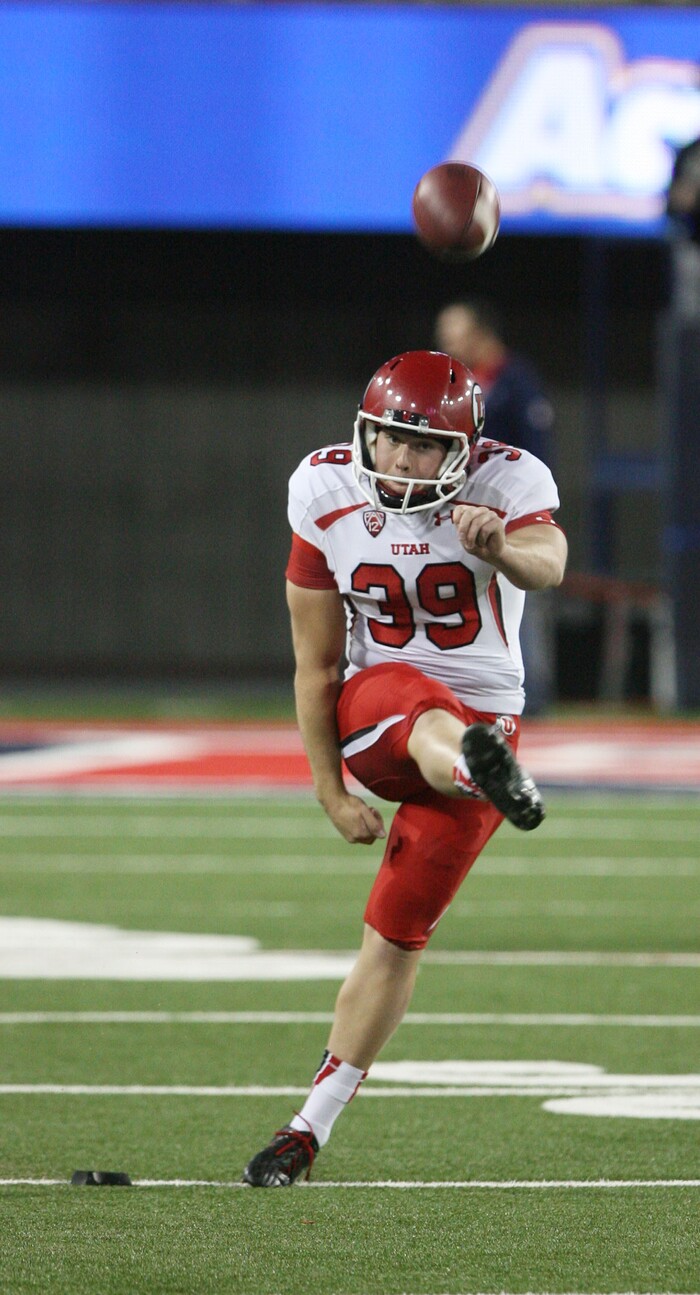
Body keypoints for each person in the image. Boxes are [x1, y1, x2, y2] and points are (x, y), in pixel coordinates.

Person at [242, 349, 567, 1187]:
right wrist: (328, 787)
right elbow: (316, 664)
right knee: (408, 691)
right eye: (387, 440)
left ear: (465, 449)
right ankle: (473, 768)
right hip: (375, 718)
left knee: (394, 932)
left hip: (486, 719)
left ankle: (305, 1130)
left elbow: (551, 564)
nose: (398, 460)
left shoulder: (510, 482)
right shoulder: (324, 490)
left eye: (422, 448)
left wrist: (503, 546)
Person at [434, 299, 556, 713]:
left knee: (522, 599)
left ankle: (532, 699)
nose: (449, 344)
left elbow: (536, 450)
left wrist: (526, 508)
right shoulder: (453, 383)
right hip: (456, 512)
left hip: (508, 512)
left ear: (482, 333)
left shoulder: (516, 380)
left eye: (457, 334)